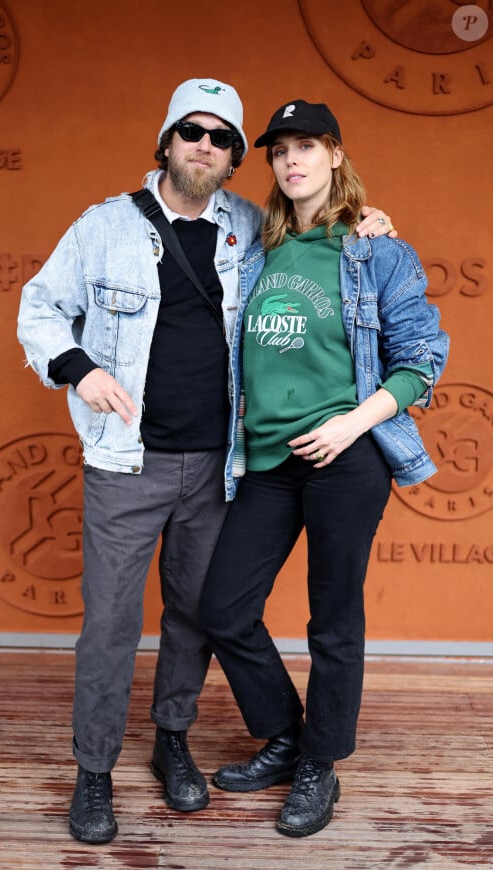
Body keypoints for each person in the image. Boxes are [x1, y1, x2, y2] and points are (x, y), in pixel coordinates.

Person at [17, 80, 394, 844]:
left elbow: (326, 241)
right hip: (127, 461)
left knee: (196, 619)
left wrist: (371, 222)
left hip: (220, 466)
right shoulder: (103, 227)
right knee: (112, 626)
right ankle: (94, 773)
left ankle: (172, 742)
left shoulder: (252, 229)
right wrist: (78, 367)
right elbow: (38, 305)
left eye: (223, 139)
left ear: (231, 161)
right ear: (166, 140)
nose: (205, 145)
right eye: (192, 130)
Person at [199, 99, 449, 839]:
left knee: (333, 621)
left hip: (347, 458)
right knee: (224, 610)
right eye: (280, 151)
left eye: (307, 146)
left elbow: (421, 364)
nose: (292, 161)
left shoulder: (376, 251)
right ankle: (285, 735)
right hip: (269, 461)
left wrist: (349, 424)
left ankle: (320, 762)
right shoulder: (254, 249)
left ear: (335, 156)